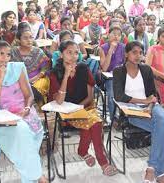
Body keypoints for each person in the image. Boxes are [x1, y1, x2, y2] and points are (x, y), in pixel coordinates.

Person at [0, 40, 47, 183]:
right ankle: (39, 177)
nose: (5, 58)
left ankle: (31, 178)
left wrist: (27, 108)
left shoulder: (17, 68)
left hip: (25, 113)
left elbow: (29, 96)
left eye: (8, 55)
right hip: (4, 119)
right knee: (22, 132)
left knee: (25, 140)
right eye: (1, 54)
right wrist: (0, 78)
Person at [48, 40, 118, 176]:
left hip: (85, 107)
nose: (73, 56)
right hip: (66, 112)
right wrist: (66, 76)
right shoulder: (54, 73)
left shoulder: (83, 68)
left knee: (94, 123)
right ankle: (99, 160)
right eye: (69, 52)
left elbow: (90, 97)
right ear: (61, 54)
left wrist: (80, 109)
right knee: (93, 123)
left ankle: (87, 153)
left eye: (76, 53)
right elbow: (60, 101)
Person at [113, 41, 164, 183]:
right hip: (130, 109)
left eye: (140, 52)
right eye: (134, 52)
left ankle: (151, 168)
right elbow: (119, 96)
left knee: (161, 119)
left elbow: (152, 94)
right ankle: (160, 172)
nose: (138, 55)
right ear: (126, 54)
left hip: (151, 106)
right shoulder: (118, 71)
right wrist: (143, 102)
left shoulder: (146, 70)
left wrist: (149, 107)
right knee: (163, 130)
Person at [10, 28, 51, 107]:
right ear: (19, 40)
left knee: (34, 89)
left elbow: (45, 68)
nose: (29, 40)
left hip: (38, 79)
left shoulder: (38, 51)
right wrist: (22, 80)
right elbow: (10, 68)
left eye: (31, 37)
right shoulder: (13, 52)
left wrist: (34, 79)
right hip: (18, 79)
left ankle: (36, 107)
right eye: (25, 38)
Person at [99, 26, 125, 123]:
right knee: (111, 96)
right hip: (109, 77)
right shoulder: (103, 48)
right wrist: (110, 50)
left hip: (121, 75)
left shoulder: (123, 47)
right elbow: (104, 68)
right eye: (114, 34)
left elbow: (126, 64)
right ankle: (113, 118)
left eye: (118, 35)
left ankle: (124, 117)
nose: (116, 37)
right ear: (108, 35)